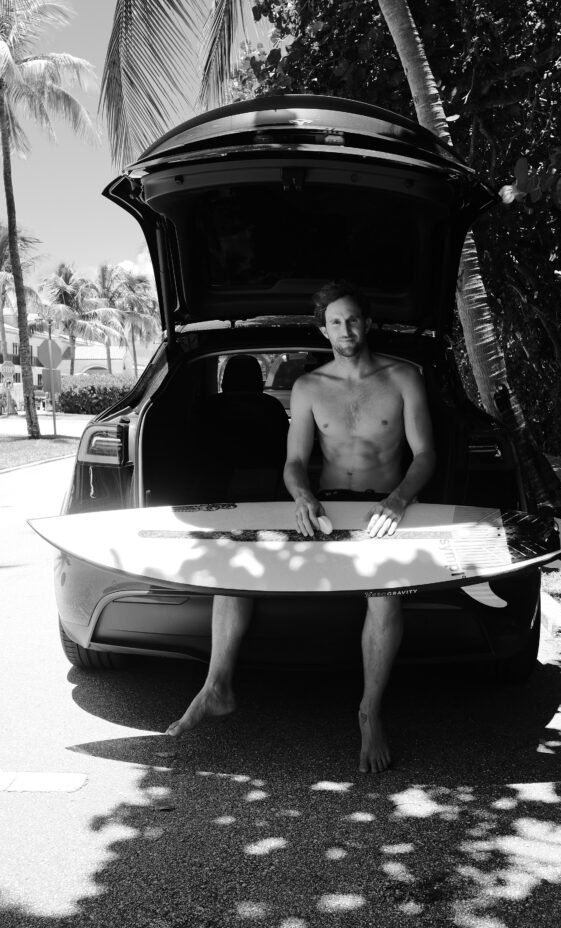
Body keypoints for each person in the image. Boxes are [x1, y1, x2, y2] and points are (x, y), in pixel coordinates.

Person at [166, 281, 436, 773]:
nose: (345, 330)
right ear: (323, 329)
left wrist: (398, 501)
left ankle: (370, 712)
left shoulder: (403, 378)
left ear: (367, 323)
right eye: (335, 322)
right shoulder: (310, 387)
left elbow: (425, 456)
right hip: (327, 507)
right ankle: (216, 688)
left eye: (353, 319)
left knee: (384, 593)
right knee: (234, 566)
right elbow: (293, 462)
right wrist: (303, 495)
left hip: (386, 508)